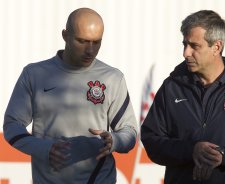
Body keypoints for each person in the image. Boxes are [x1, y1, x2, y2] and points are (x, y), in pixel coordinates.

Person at [3, 7, 138, 184]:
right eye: (82, 41)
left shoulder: (112, 78)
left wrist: (115, 140)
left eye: (96, 42)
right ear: (65, 35)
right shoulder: (34, 74)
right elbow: (12, 126)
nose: (90, 50)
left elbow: (130, 131)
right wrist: (45, 148)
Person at [141, 10, 225, 184]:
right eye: (184, 44)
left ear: (216, 47)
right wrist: (191, 151)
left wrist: (224, 156)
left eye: (194, 46)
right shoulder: (172, 87)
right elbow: (152, 139)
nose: (186, 53)